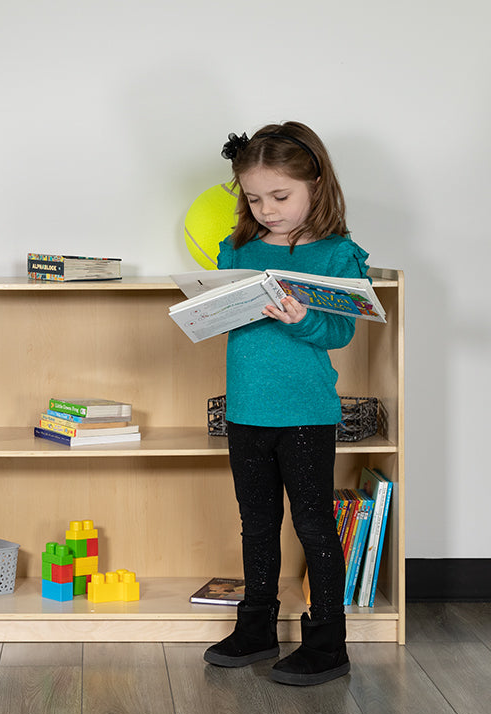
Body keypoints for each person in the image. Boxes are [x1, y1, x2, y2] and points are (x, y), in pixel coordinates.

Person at [203, 121, 369, 685]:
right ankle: (256, 629)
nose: (268, 209)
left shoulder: (337, 254)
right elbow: (225, 313)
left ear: (316, 185)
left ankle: (329, 642)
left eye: (281, 196)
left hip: (304, 413)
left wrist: (303, 319)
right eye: (254, 198)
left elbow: (341, 335)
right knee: (256, 523)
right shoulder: (238, 248)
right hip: (246, 410)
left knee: (315, 526)